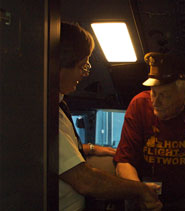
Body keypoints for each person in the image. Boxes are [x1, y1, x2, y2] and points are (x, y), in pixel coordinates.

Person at [58, 22, 162, 211]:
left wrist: (89, 148)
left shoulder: (55, 107)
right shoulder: (42, 116)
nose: (85, 74)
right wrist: (140, 189)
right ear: (58, 66)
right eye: (82, 66)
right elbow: (85, 181)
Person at [114, 52, 185, 211]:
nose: (155, 101)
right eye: (153, 92)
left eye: (164, 95)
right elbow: (124, 162)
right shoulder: (139, 104)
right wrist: (141, 192)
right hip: (141, 197)